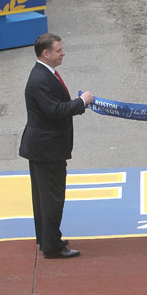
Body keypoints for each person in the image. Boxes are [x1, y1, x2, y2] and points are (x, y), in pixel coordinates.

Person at [19, 33, 94, 258]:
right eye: (59, 50)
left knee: (44, 197)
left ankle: (47, 238)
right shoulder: (41, 79)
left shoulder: (43, 74)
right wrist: (81, 102)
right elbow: (54, 110)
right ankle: (52, 246)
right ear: (46, 53)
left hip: (43, 147)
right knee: (52, 198)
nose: (63, 53)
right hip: (47, 149)